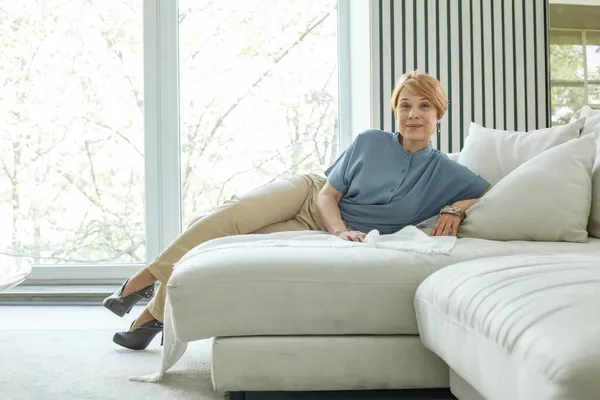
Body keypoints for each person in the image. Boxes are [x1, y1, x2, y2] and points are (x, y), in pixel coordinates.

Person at [103, 71, 491, 350]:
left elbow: (488, 191)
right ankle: (143, 279)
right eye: (404, 105)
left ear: (439, 114)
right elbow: (326, 195)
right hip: (308, 198)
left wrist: (455, 209)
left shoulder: (446, 171)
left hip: (318, 230)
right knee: (227, 218)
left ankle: (150, 317)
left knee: (222, 247)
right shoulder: (371, 142)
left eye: (424, 106)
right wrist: (340, 232)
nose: (413, 114)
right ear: (394, 112)